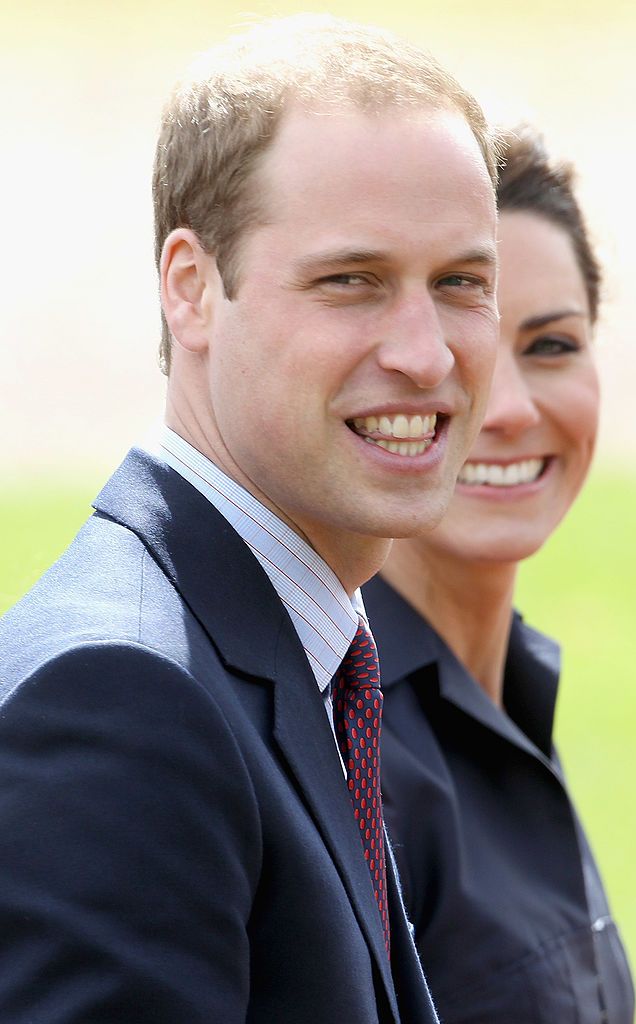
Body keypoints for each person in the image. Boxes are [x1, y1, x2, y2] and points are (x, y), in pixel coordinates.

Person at [0, 15, 501, 1023]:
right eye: (350, 280)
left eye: (460, 283)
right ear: (192, 289)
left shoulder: (295, 649)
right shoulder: (124, 699)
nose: (425, 352)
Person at [363, 130, 636, 1024]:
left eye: (553, 346)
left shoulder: (513, 682)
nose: (509, 409)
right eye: (456, 349)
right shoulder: (343, 744)